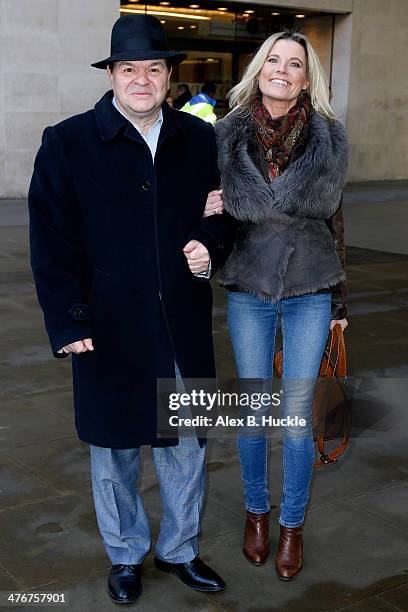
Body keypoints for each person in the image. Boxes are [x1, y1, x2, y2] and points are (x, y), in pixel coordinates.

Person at [28, 14, 236, 605]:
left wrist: (210, 242)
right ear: (112, 75)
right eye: (129, 69)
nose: (141, 79)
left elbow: (223, 215)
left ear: (169, 75)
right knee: (115, 450)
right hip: (109, 325)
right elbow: (51, 241)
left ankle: (179, 550)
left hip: (180, 323)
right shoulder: (67, 142)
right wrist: (68, 320)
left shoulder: (199, 139)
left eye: (153, 68)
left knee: (184, 445)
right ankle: (124, 555)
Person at [204, 30, 348, 580]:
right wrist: (208, 204)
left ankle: (291, 524)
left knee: (294, 418)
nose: (282, 70)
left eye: (295, 63)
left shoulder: (329, 138)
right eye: (273, 60)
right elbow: (203, 203)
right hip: (249, 284)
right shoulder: (224, 134)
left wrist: (339, 299)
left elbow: (337, 220)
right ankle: (256, 514)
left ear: (307, 77)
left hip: (311, 284)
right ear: (258, 69)